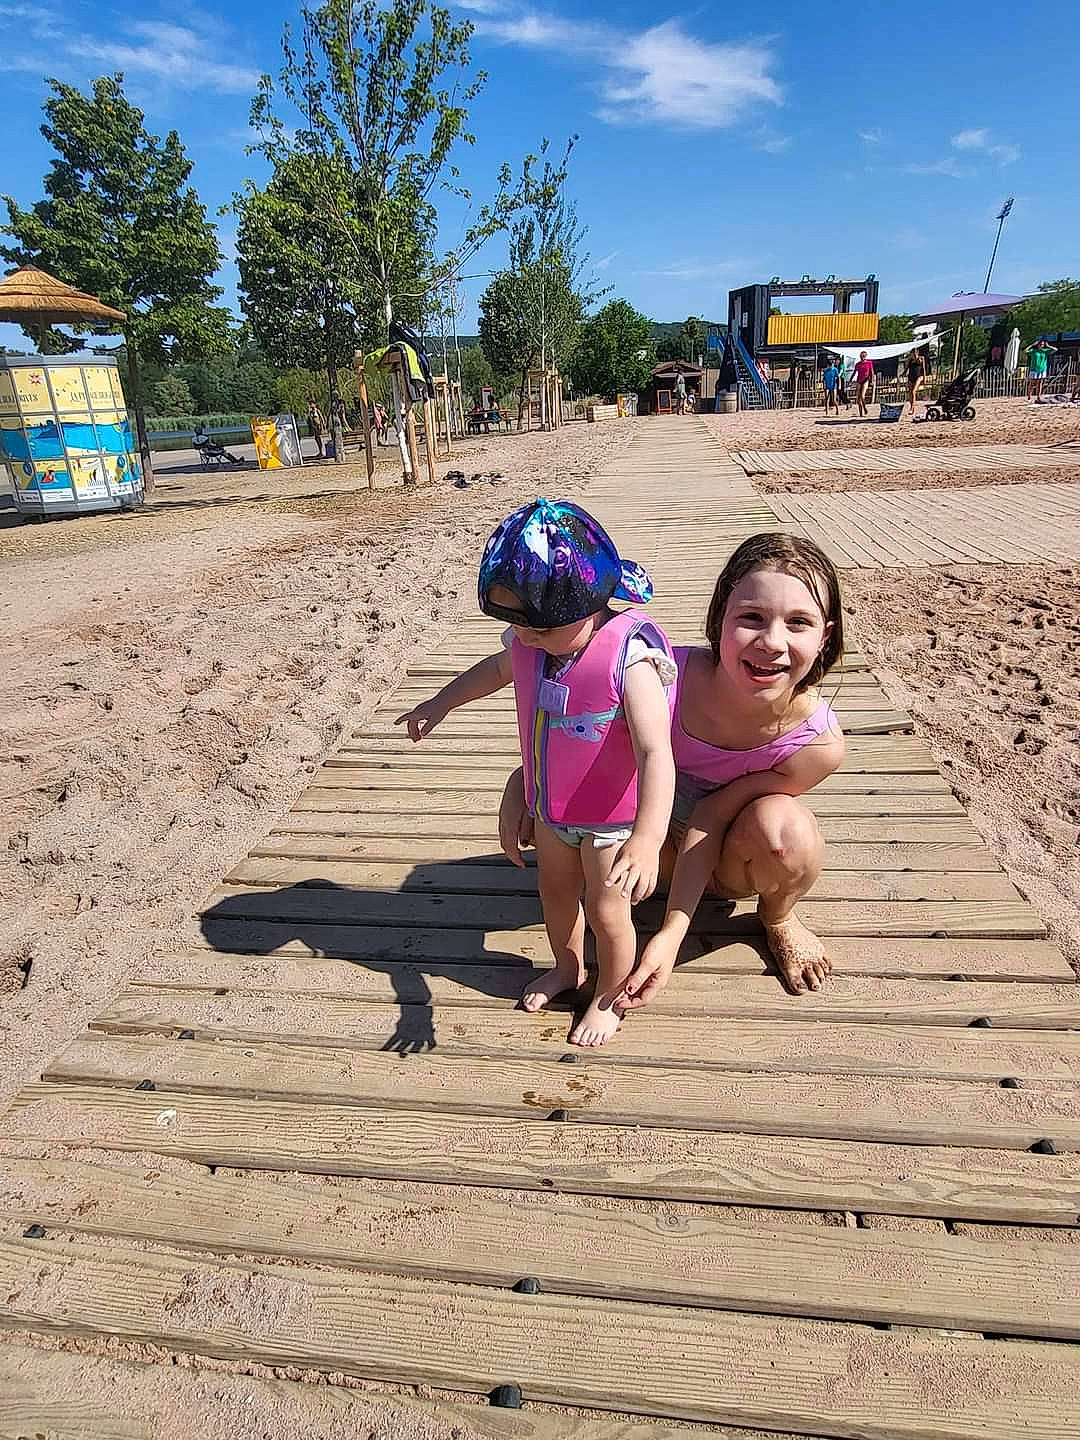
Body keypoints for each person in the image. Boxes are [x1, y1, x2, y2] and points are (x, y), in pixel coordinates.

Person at [498, 532, 846, 1001]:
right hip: (635, 838)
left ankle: (779, 915)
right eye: (751, 618)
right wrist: (526, 779)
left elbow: (711, 816)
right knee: (546, 822)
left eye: (798, 623)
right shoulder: (663, 675)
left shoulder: (816, 744)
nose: (772, 642)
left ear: (824, 637)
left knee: (786, 831)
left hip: (726, 859)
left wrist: (672, 932)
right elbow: (565, 709)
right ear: (719, 619)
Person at [396, 499, 676, 1047]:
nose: (524, 641)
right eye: (515, 627)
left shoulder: (630, 657)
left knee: (606, 909)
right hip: (552, 808)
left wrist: (648, 838)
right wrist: (441, 702)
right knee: (554, 894)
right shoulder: (532, 641)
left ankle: (609, 995)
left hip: (611, 822)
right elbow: (494, 670)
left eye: (539, 630)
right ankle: (567, 968)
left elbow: (654, 753)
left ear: (591, 606)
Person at [906, 347, 929, 416]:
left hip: (918, 376)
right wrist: (903, 374)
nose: (914, 354)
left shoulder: (921, 358)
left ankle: (912, 408)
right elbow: (906, 368)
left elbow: (924, 369)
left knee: (913, 391)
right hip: (911, 376)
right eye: (913, 353)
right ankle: (912, 408)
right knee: (910, 393)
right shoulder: (910, 360)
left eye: (915, 353)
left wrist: (924, 378)